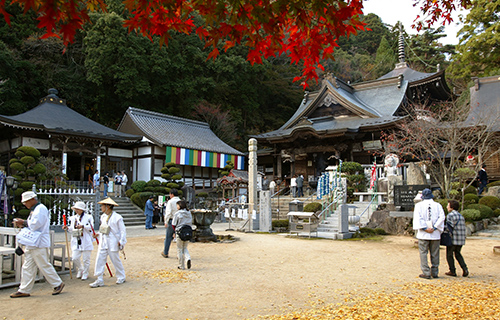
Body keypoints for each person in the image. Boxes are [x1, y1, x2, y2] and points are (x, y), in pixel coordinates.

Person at [10, 191, 65, 298]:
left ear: (31, 200)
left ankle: (57, 283)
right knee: (27, 266)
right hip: (32, 242)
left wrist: (23, 222)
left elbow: (36, 225)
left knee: (43, 264)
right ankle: (24, 289)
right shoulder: (35, 210)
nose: (24, 204)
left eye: (26, 202)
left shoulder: (40, 209)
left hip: (38, 242)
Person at [89, 197, 127, 288]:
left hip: (113, 241)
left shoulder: (117, 217)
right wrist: (97, 234)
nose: (101, 207)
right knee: (100, 259)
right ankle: (99, 278)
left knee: (115, 259)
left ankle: (121, 276)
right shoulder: (103, 217)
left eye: (103, 205)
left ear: (108, 206)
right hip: (103, 240)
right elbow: (103, 229)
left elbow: (122, 230)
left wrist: (121, 241)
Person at [412, 188, 445, 279]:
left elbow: (418, 218)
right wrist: (435, 227)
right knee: (435, 253)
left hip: (423, 233)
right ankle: (434, 271)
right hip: (435, 233)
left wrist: (425, 228)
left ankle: (426, 272)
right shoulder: (438, 205)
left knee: (423, 252)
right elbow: (441, 217)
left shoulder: (419, 205)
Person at [64, 201, 94, 280]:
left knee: (86, 259)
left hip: (85, 239)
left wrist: (83, 226)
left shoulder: (88, 217)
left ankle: (85, 273)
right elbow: (71, 229)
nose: (76, 210)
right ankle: (81, 268)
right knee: (74, 257)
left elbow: (91, 227)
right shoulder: (73, 218)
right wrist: (67, 228)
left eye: (78, 209)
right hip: (76, 239)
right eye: (76, 209)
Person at [445, 200, 469, 277]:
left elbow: (449, 227)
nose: (447, 207)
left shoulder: (450, 215)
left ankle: (452, 270)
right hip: (461, 239)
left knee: (449, 254)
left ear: (451, 207)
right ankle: (464, 268)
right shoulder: (460, 216)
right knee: (458, 254)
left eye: (448, 205)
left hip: (453, 238)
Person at [172, 200, 192, 270]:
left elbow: (173, 224)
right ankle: (188, 258)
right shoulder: (189, 212)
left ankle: (181, 265)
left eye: (177, 205)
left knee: (179, 249)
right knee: (185, 247)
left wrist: (174, 232)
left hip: (180, 231)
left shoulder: (177, 213)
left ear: (180, 205)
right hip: (188, 231)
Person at [162, 189, 180, 258]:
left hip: (172, 220)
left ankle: (165, 252)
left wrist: (165, 221)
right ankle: (180, 254)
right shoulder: (180, 201)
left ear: (172, 194)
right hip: (179, 220)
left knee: (168, 237)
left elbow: (168, 213)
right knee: (179, 237)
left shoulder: (170, 201)